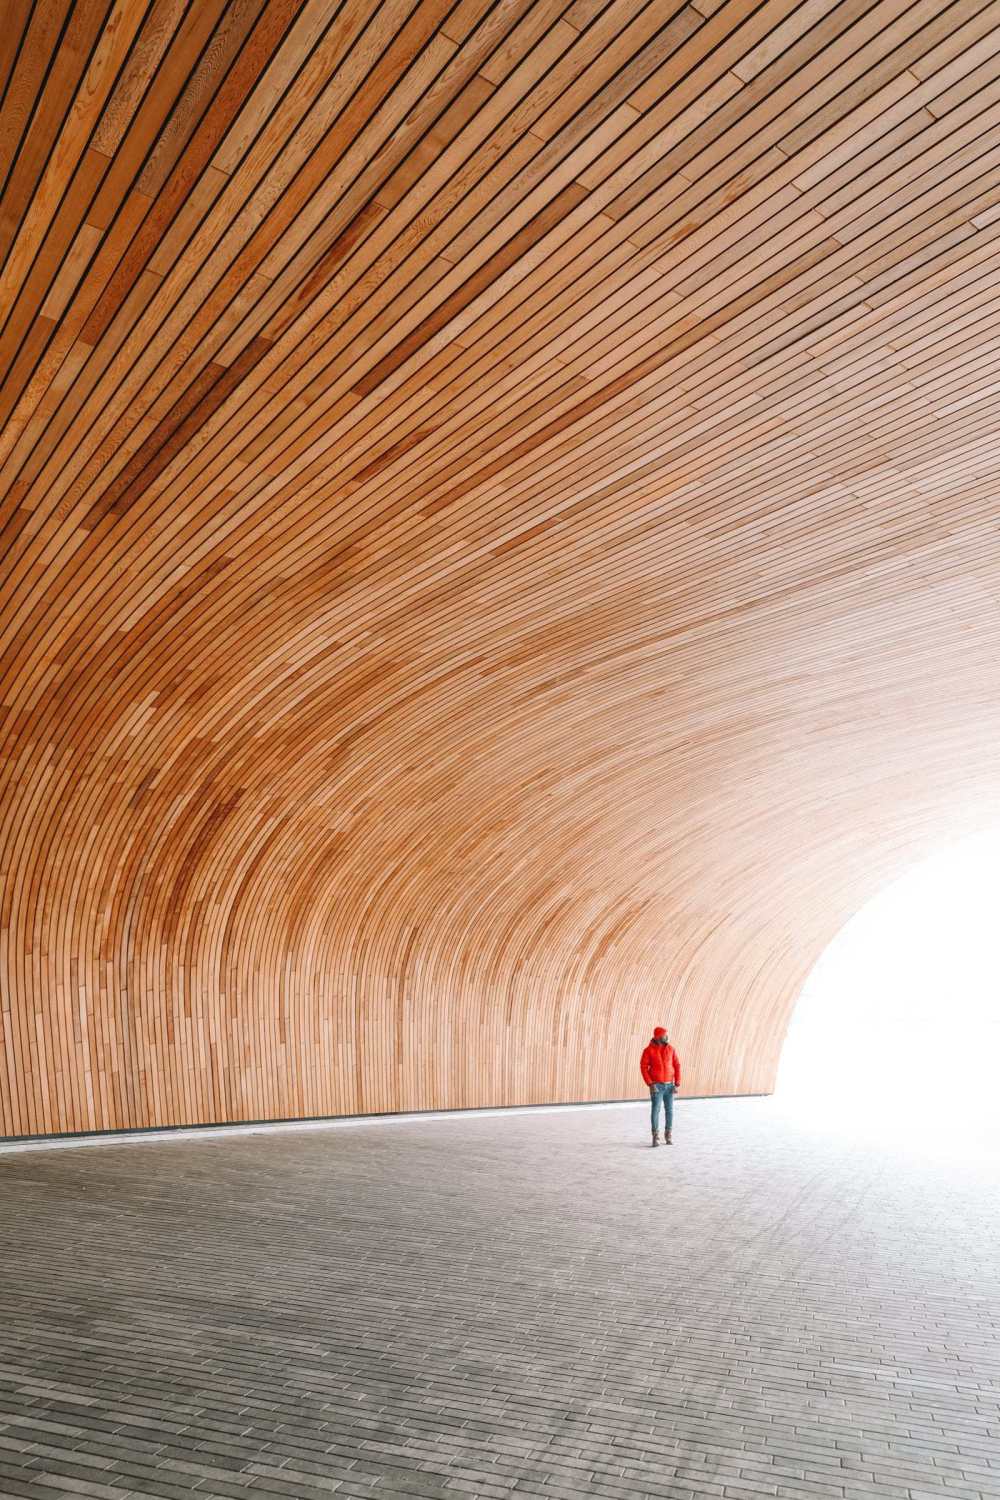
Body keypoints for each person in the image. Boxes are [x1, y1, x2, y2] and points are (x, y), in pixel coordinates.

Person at [640, 1026, 681, 1147]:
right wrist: (650, 1083)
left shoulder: (671, 1049)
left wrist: (677, 1083)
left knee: (670, 1111)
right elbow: (643, 1067)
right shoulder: (648, 1051)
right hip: (656, 1086)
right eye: (664, 1035)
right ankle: (655, 1136)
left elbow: (677, 1065)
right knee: (655, 1110)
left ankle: (668, 1134)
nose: (667, 1037)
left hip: (669, 1086)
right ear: (658, 1037)